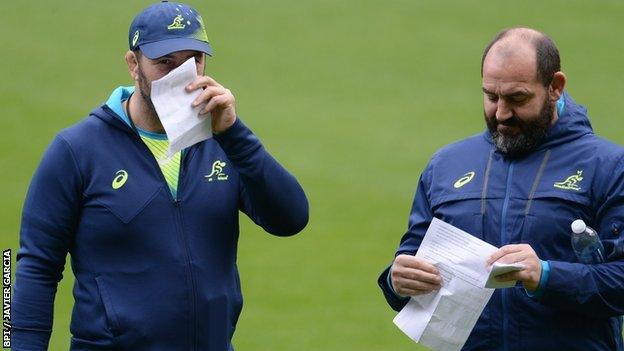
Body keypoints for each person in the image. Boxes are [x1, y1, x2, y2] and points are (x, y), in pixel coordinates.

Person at [12, 1, 308, 350]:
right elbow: (35, 269)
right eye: (165, 62)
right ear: (133, 64)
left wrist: (234, 135)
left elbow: (291, 219)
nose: (182, 75)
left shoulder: (224, 143)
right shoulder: (76, 151)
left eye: (193, 61)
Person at [378, 27, 624, 350]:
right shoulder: (445, 166)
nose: (501, 113)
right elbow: (411, 262)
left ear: (555, 87)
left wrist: (548, 276)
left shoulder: (608, 166)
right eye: (491, 96)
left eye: (517, 98)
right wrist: (397, 282)